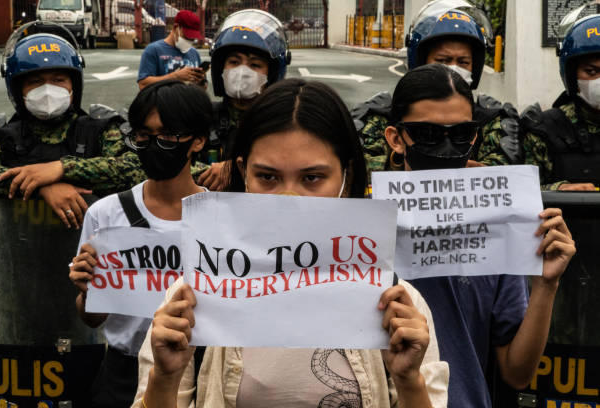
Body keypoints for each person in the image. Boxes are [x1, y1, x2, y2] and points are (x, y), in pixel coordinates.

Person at [132, 79, 449, 407]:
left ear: (347, 176)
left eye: (312, 178)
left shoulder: (397, 306)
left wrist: (409, 381)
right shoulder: (193, 300)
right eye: (268, 177)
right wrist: (165, 378)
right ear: (244, 173)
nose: (288, 197)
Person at [382, 63, 576, 408]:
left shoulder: (498, 229)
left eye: (460, 134)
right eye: (427, 134)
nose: (445, 147)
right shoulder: (364, 228)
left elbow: (517, 373)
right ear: (396, 139)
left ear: (474, 137)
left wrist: (547, 284)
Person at [68, 80, 212, 408]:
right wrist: (88, 291)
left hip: (200, 368)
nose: (153, 144)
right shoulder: (105, 215)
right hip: (123, 370)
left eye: (167, 136)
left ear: (198, 141)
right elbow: (92, 317)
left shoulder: (224, 219)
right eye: (143, 136)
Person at [0, 22, 145, 229]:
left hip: (93, 254)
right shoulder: (1, 134)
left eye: (59, 79)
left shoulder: (100, 128)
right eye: (35, 81)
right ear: (18, 89)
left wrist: (63, 168)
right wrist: (42, 187)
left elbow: (138, 168)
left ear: (74, 85)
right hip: (15, 254)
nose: (47, 89)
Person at [353, 0, 521, 177]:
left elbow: (501, 177)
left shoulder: (492, 118)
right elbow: (364, 177)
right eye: (443, 61)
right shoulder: (377, 117)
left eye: (463, 62)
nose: (452, 68)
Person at [196, 9, 291, 191]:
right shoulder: (201, 117)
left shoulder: (285, 121)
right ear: (220, 69)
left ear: (272, 75)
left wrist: (239, 171)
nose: (242, 71)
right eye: (234, 62)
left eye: (255, 65)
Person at [518, 7, 600, 191]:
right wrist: (559, 190)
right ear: (571, 76)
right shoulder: (543, 130)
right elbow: (520, 194)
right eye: (592, 72)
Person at [137, 10, 205, 90]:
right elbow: (143, 85)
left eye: (193, 39)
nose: (190, 40)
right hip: (164, 101)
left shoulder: (194, 53)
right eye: (187, 36)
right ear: (176, 27)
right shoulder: (153, 50)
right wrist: (174, 77)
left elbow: (203, 88)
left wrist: (201, 82)